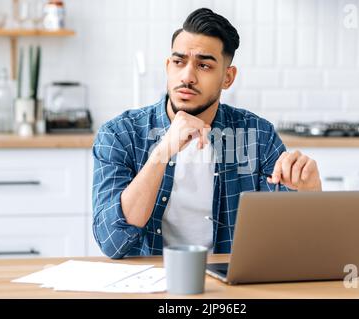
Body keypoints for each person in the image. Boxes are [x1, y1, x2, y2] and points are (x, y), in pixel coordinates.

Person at [92, 8, 322, 259]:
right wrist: (163, 151)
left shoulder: (259, 135)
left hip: (231, 287)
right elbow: (112, 242)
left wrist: (310, 194)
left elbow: (287, 244)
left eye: (204, 65)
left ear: (228, 77)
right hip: (150, 283)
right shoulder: (119, 134)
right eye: (179, 62)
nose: (187, 76)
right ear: (168, 66)